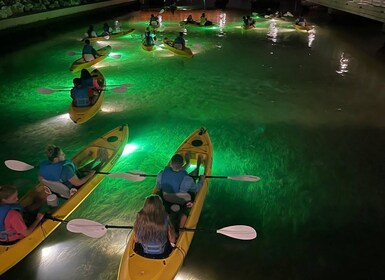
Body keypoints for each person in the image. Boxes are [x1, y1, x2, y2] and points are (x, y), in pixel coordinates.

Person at [156, 153, 205, 227]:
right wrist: (201, 180)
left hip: (166, 197)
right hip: (180, 200)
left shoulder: (161, 174)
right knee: (192, 177)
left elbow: (159, 187)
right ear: (182, 164)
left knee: (181, 175)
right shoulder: (187, 180)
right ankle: (198, 166)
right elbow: (196, 189)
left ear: (171, 163)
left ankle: (188, 163)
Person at [38, 144, 104, 191]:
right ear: (56, 159)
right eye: (62, 154)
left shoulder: (44, 166)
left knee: (80, 169)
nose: (64, 155)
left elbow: (40, 178)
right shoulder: (66, 169)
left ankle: (96, 159)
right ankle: (102, 161)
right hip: (72, 187)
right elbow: (78, 183)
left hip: (60, 187)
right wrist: (90, 175)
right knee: (92, 172)